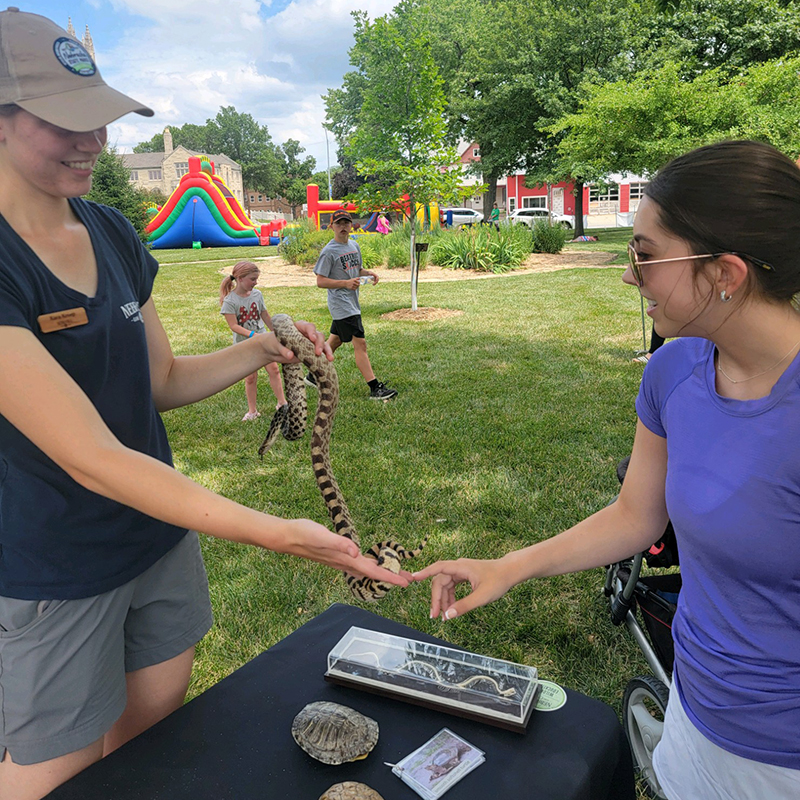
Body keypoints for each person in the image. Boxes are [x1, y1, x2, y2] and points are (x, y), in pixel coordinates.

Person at [0, 12, 408, 800]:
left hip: (156, 540)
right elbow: (91, 455)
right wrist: (282, 535)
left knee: (148, 733)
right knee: (54, 771)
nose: (93, 141)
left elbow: (164, 382)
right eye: (65, 122)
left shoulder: (114, 231)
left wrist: (261, 350)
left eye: (102, 121)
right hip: (53, 563)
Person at [414, 141, 800, 799]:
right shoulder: (672, 372)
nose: (630, 276)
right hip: (693, 717)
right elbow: (636, 516)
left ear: (725, 273)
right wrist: (510, 566)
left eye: (646, 257)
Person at [306, 209, 398, 400]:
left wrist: (368, 273)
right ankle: (375, 388)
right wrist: (345, 284)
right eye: (338, 223)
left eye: (346, 223)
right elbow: (320, 281)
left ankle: (313, 375)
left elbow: (356, 268)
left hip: (352, 302)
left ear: (351, 225)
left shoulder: (354, 245)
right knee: (360, 344)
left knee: (336, 340)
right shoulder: (328, 252)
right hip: (341, 304)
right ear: (331, 226)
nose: (343, 227)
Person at [220, 261, 286, 420]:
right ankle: (252, 411)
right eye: (253, 279)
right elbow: (234, 326)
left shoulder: (257, 295)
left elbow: (265, 315)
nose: (256, 282)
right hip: (245, 345)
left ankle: (282, 404)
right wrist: (252, 335)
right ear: (240, 278)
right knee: (250, 377)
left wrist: (275, 332)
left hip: (263, 341)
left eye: (256, 279)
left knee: (274, 370)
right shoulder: (230, 301)